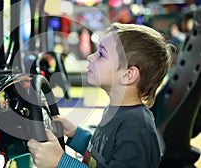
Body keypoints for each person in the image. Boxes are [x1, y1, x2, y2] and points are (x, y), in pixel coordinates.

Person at [27, 23, 175, 168]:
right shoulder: (116, 110)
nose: (91, 57)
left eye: (102, 54)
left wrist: (60, 162)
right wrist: (75, 133)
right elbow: (102, 155)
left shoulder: (136, 128)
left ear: (128, 74)